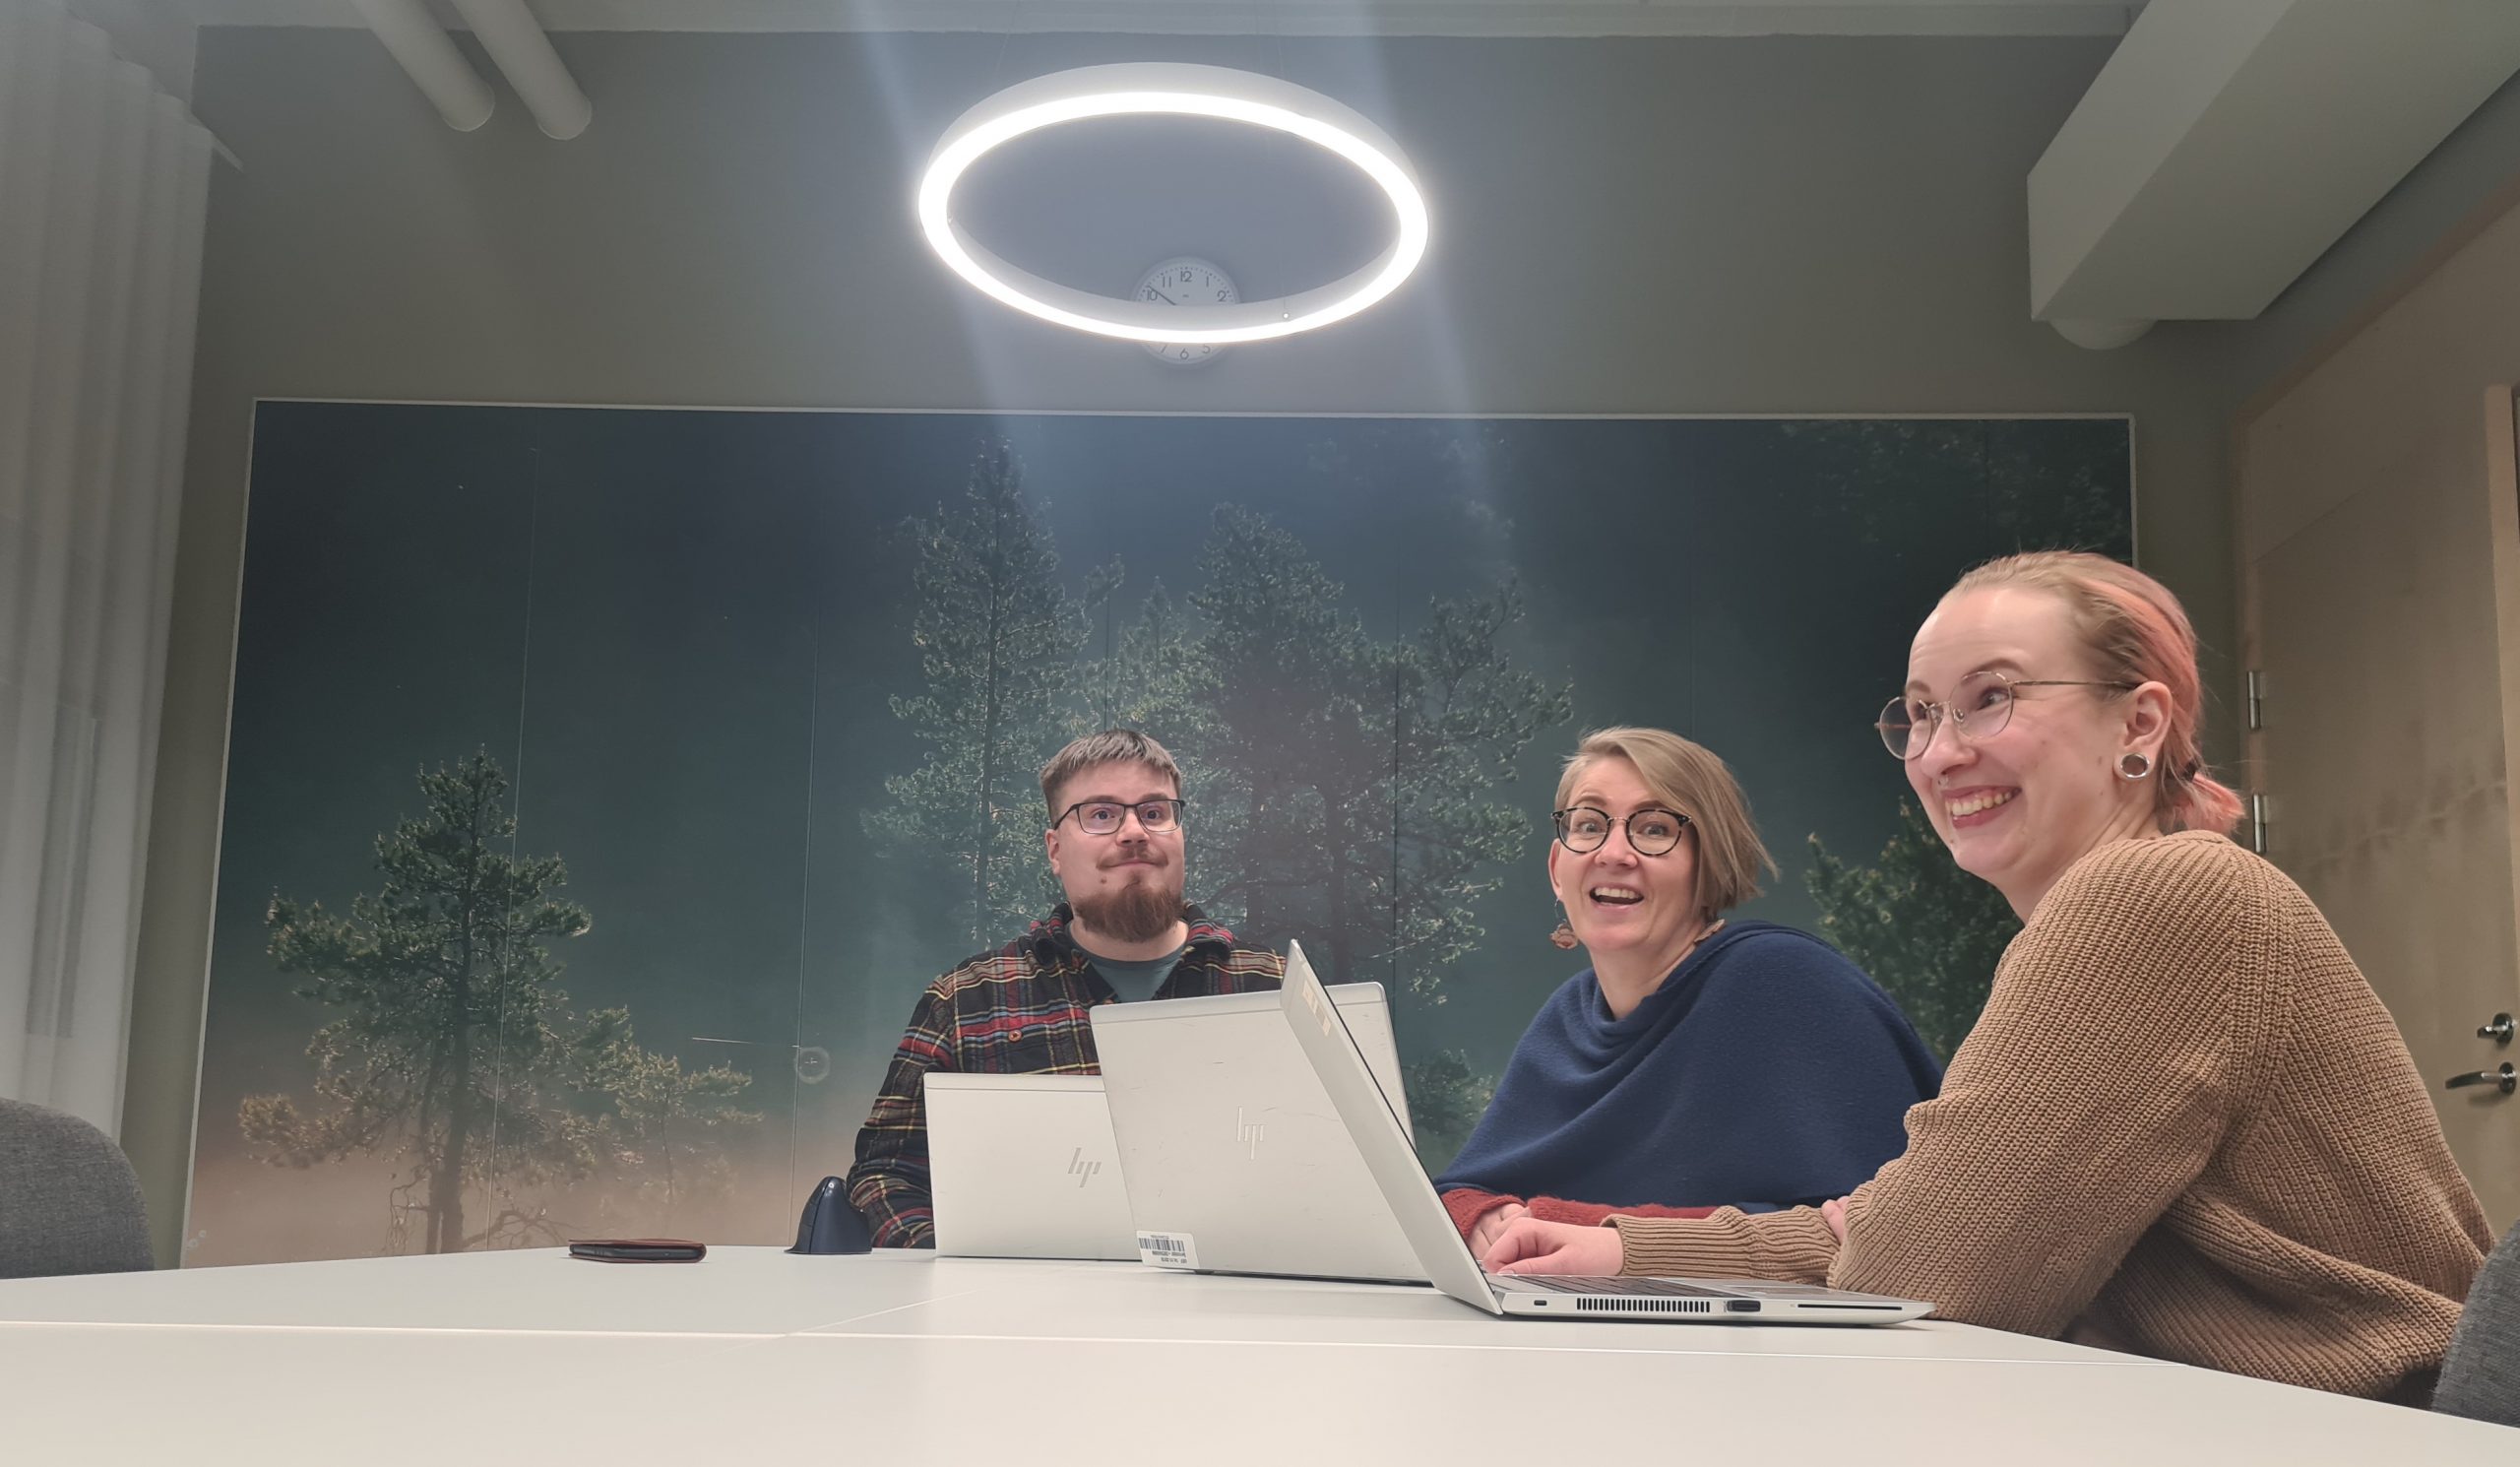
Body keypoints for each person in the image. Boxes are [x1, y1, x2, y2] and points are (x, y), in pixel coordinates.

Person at [1484, 552, 2492, 1402]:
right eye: (1919, 714)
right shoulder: (2114, 912)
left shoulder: (2155, 896)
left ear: (2138, 725)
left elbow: (1919, 1275)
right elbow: (1910, 1225)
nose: (1939, 751)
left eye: (1990, 698)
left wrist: (1864, 1226)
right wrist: (1628, 1255)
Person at [1436, 727, 1942, 1257]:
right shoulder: (1567, 1016)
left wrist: (1566, 1226)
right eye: (1588, 825)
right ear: (1557, 871)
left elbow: (1860, 1232)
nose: (1614, 852)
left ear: (1710, 865)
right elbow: (1458, 1191)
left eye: (1654, 829)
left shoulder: (1782, 981)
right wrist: (1485, 1217)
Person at [847, 729, 1283, 1247]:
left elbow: (1342, 1167)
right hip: (1027, 1321)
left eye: (1154, 812)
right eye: (1100, 814)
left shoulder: (1274, 988)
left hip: (1234, 1320)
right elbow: (886, 1176)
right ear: (1055, 849)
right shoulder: (967, 1001)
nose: (1133, 832)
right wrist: (955, 1274)